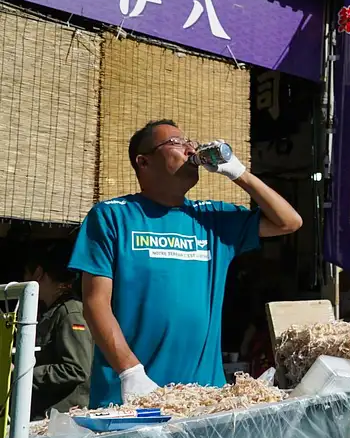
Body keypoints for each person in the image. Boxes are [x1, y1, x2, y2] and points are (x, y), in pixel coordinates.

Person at [70, 120, 302, 407]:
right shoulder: (110, 217)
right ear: (144, 162)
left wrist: (238, 173)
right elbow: (95, 304)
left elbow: (289, 222)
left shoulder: (212, 219)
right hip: (130, 398)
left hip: (202, 398)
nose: (190, 148)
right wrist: (130, 371)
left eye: (190, 142)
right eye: (177, 142)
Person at [24, 240, 93, 419]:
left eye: (26, 274)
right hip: (46, 416)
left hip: (62, 421)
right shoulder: (51, 312)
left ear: (38, 273)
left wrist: (24, 372)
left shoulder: (70, 313)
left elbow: (76, 369)